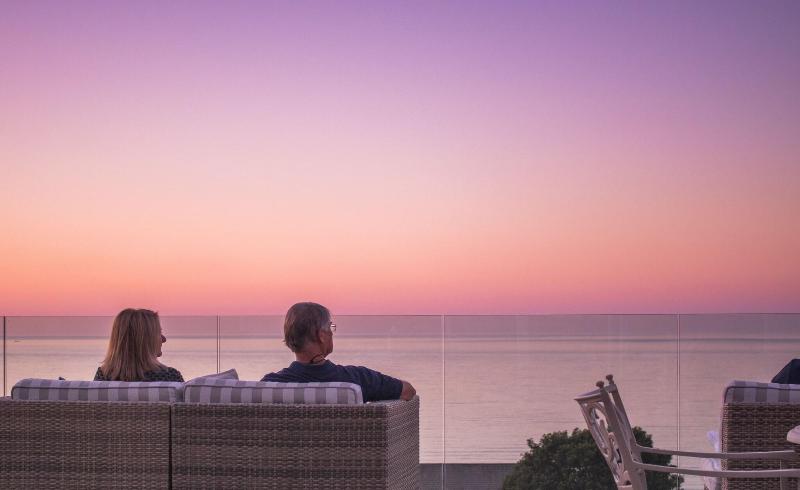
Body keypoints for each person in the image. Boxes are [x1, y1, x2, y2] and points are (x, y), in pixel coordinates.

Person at [262, 302, 416, 402]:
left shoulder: (269, 385)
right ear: (321, 335)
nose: (332, 332)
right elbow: (408, 391)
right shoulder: (357, 379)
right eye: (330, 327)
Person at [94, 308, 184, 382]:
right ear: (145, 341)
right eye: (158, 333)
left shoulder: (102, 377)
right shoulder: (170, 377)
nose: (164, 339)